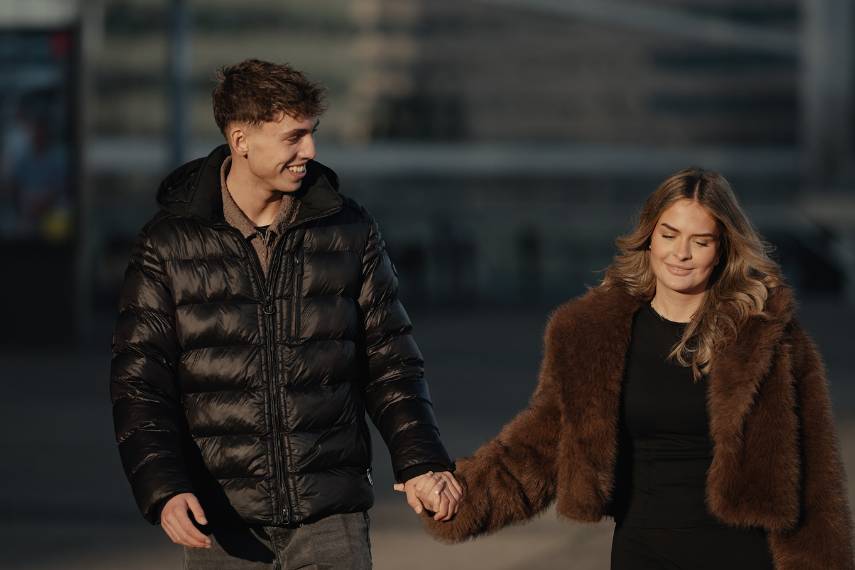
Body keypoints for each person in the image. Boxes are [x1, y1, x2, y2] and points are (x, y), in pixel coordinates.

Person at [110, 59, 462, 570]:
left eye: (312, 133)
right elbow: (139, 383)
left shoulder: (348, 230)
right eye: (294, 137)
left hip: (330, 517)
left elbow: (391, 362)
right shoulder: (168, 244)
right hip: (223, 524)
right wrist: (163, 487)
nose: (311, 151)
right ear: (241, 139)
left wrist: (422, 459)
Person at [420, 168, 854, 569]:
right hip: (644, 553)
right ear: (649, 236)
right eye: (669, 235)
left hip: (741, 557)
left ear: (722, 250)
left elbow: (816, 481)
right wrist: (457, 495)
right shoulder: (589, 334)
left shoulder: (766, 338)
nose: (681, 254)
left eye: (700, 241)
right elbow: (542, 442)